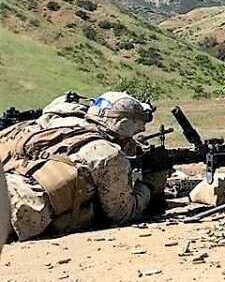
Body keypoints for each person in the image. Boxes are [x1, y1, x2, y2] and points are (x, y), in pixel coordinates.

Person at [0, 91, 166, 241]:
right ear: (122, 123)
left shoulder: (60, 124)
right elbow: (121, 213)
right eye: (136, 131)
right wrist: (149, 185)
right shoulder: (109, 154)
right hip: (18, 208)